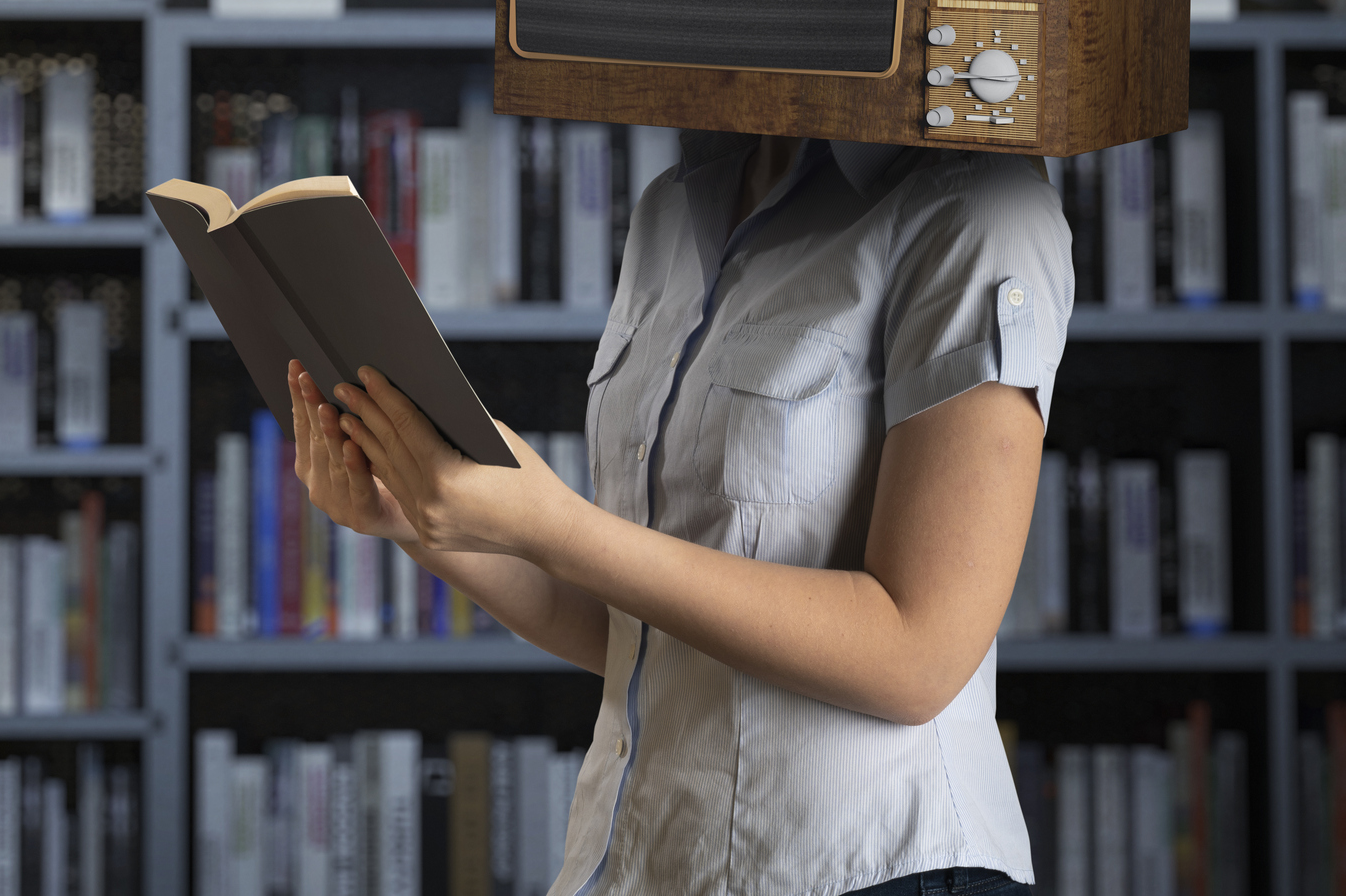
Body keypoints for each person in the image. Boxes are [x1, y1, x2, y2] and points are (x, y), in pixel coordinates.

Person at [289, 132, 1070, 896]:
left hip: (871, 867)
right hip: (642, 861)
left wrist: (554, 525)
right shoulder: (675, 204)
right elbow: (645, 638)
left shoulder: (980, 206)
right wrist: (423, 516)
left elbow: (920, 656)